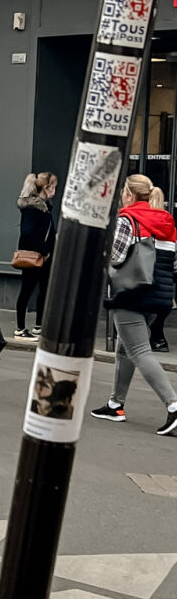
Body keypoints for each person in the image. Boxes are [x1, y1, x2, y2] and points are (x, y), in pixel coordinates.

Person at [91, 173, 177, 436]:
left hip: (130, 292)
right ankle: (116, 404)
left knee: (139, 350)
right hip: (158, 296)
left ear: (128, 194)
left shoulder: (127, 219)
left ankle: (174, 406)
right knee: (125, 349)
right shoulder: (166, 220)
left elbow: (116, 258)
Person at [14, 171, 57, 339]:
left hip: (45, 257)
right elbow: (27, 233)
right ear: (46, 188)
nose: (54, 190)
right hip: (34, 256)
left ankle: (39, 326)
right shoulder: (33, 209)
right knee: (27, 290)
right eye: (53, 187)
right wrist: (44, 250)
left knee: (44, 290)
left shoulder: (45, 207)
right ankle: (20, 328)